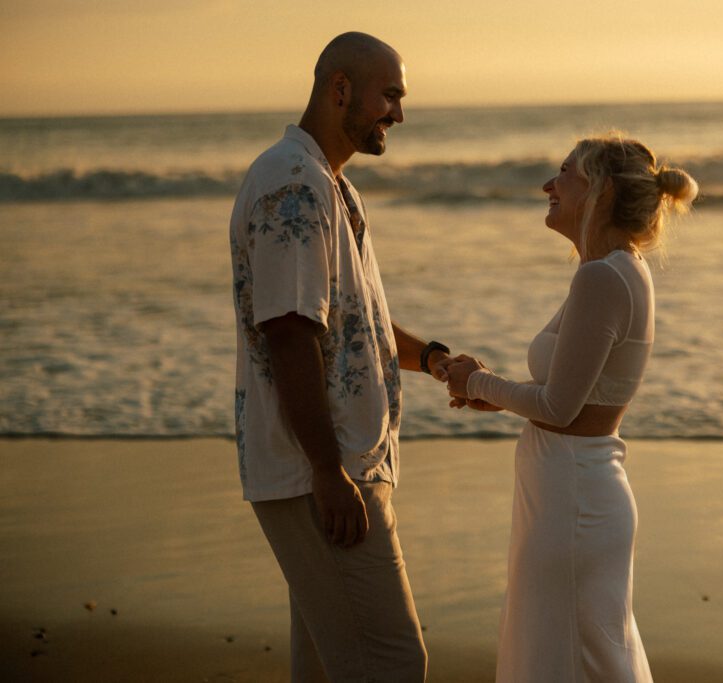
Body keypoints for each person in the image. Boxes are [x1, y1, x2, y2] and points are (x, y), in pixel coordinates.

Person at [228, 32, 452, 682]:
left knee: (325, 666)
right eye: (391, 95)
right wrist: (329, 470)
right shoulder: (292, 184)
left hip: (337, 467)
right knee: (393, 663)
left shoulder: (331, 186)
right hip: (322, 474)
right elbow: (290, 333)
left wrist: (433, 357)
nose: (399, 114)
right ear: (341, 90)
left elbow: (355, 327)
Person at [443, 133, 698, 682]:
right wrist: (498, 394)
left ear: (600, 192)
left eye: (564, 174)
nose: (548, 186)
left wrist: (481, 382)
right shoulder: (614, 269)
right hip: (570, 490)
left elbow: (560, 408)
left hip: (574, 497)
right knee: (573, 654)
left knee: (565, 660)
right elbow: (575, 397)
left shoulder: (602, 276)